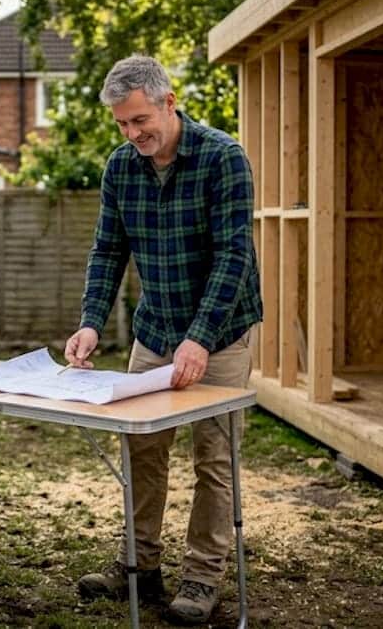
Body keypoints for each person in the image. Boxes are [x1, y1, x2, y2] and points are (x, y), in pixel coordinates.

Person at [65, 55, 262, 625]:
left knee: (214, 460)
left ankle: (202, 576)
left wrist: (200, 338)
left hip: (220, 334)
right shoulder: (121, 168)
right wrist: (91, 321)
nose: (132, 134)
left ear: (169, 102)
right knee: (142, 449)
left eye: (140, 120)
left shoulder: (223, 157)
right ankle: (139, 564)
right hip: (155, 331)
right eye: (122, 124)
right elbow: (108, 250)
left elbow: (233, 256)